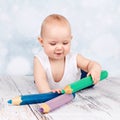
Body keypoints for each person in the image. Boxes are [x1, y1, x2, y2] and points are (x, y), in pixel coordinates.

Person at [34, 14, 101, 93]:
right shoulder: (39, 60)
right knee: (38, 79)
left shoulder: (74, 57)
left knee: (92, 75)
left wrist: (94, 69)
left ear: (70, 39)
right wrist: (48, 92)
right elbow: (41, 81)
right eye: (53, 44)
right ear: (42, 41)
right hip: (49, 86)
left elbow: (90, 63)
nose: (59, 48)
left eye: (65, 43)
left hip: (77, 80)